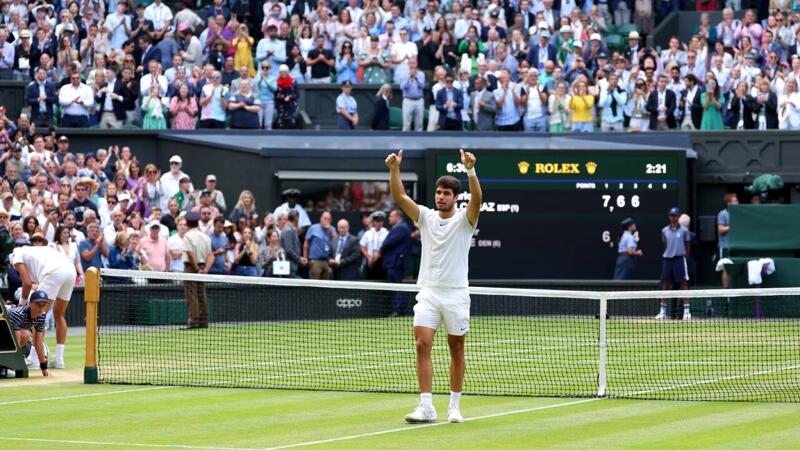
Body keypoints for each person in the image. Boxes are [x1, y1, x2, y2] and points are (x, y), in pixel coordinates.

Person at [386, 147, 481, 424]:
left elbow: (478, 198)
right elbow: (399, 196)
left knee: (456, 348)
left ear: (454, 197)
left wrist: (470, 170)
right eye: (438, 193)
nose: (440, 197)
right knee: (421, 343)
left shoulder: (466, 220)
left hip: (456, 294)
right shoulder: (425, 216)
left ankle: (454, 406)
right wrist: (394, 169)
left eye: (446, 193)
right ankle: (426, 407)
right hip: (428, 291)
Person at [12, 235, 77, 370]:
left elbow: (27, 283)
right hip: (70, 271)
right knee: (59, 315)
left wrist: (21, 305)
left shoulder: (16, 254)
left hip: (53, 272)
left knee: (38, 316)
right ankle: (59, 359)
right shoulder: (37, 251)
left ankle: (34, 358)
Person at [656, 207, 691, 321]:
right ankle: (662, 311)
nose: (673, 217)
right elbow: (664, 244)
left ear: (679, 217)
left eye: (675, 215)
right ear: (669, 217)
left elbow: (687, 245)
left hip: (679, 259)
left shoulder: (684, 231)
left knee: (683, 284)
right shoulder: (664, 230)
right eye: (671, 215)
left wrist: (684, 256)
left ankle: (686, 312)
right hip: (667, 259)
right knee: (665, 284)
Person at [6, 290, 51, 377]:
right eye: (38, 304)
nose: (41, 308)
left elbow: (38, 343)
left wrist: (44, 367)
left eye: (44, 305)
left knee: (26, 335)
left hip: (7, 335)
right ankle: (5, 367)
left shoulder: (41, 315)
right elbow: (16, 343)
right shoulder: (17, 314)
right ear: (30, 304)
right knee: (24, 335)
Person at [182, 211, 213, 329]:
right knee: (201, 295)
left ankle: (193, 321)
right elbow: (210, 255)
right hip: (202, 267)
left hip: (191, 268)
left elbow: (189, 254)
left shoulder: (187, 236)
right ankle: (203, 322)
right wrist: (204, 270)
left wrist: (195, 269)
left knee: (192, 295)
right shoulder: (205, 237)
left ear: (187, 223)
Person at [381, 209, 413, 316]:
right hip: (394, 263)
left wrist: (381, 248)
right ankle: (399, 310)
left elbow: (388, 243)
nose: (389, 218)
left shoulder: (401, 228)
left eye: (391, 216)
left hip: (395, 263)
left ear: (397, 217)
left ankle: (399, 311)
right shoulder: (400, 228)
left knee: (397, 286)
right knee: (396, 286)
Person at [304, 210, 335, 280]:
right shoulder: (313, 228)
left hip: (328, 261)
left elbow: (337, 242)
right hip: (315, 260)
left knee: (328, 281)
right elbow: (306, 243)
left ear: (331, 220)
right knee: (315, 282)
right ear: (321, 219)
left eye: (328, 219)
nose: (326, 221)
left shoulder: (333, 229)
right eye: (325, 218)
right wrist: (305, 257)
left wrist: (330, 231)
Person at [717, 193, 738, 289]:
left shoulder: (738, 214)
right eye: (735, 201)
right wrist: (733, 225)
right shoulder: (723, 214)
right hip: (725, 246)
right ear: (729, 203)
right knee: (726, 268)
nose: (737, 202)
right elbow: (721, 230)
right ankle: (726, 292)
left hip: (736, 246)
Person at [280, 209, 305, 277]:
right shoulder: (288, 230)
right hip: (289, 266)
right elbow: (289, 249)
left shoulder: (290, 229)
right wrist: (299, 259)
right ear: (296, 218)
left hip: (291, 266)